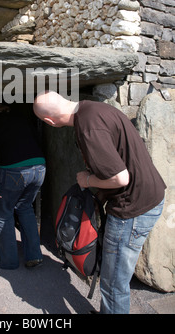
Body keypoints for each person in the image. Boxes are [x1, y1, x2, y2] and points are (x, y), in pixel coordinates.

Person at [33, 91, 166, 314]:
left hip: (131, 208)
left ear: (49, 121)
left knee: (114, 284)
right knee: (114, 278)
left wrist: (87, 180)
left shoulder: (88, 127)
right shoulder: (95, 109)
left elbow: (120, 178)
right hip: (148, 196)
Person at [0, 104, 46, 270]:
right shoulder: (21, 118)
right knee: (25, 208)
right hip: (39, 167)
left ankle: (8, 261)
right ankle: (35, 256)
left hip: (13, 170)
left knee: (4, 213)